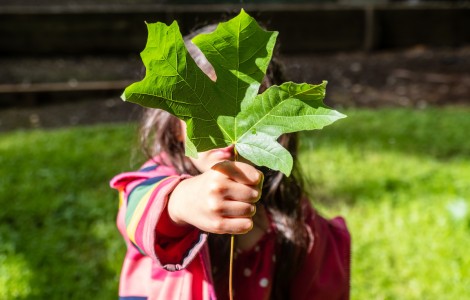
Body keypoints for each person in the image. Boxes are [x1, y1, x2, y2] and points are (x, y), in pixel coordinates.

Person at [110, 25, 350, 300]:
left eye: (248, 112)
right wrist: (181, 203)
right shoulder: (156, 180)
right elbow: (138, 211)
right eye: (206, 115)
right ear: (176, 125)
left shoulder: (292, 214)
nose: (226, 133)